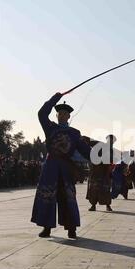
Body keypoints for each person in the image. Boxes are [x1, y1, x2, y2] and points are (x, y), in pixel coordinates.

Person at [31, 93, 91, 239]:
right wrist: (55, 98)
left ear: (69, 116)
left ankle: (71, 229)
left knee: (68, 197)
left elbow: (85, 150)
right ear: (56, 115)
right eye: (60, 113)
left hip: (66, 168)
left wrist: (100, 156)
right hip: (50, 167)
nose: (62, 116)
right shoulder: (50, 128)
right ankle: (46, 228)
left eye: (65, 114)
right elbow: (41, 113)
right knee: (47, 196)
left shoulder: (74, 133)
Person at [86, 135, 115, 212]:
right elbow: (90, 141)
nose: (111, 142)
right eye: (110, 140)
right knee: (93, 189)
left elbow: (111, 161)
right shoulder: (100, 144)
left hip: (104, 172)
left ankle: (108, 205)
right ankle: (93, 205)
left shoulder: (111, 150)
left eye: (112, 141)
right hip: (95, 171)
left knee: (105, 190)